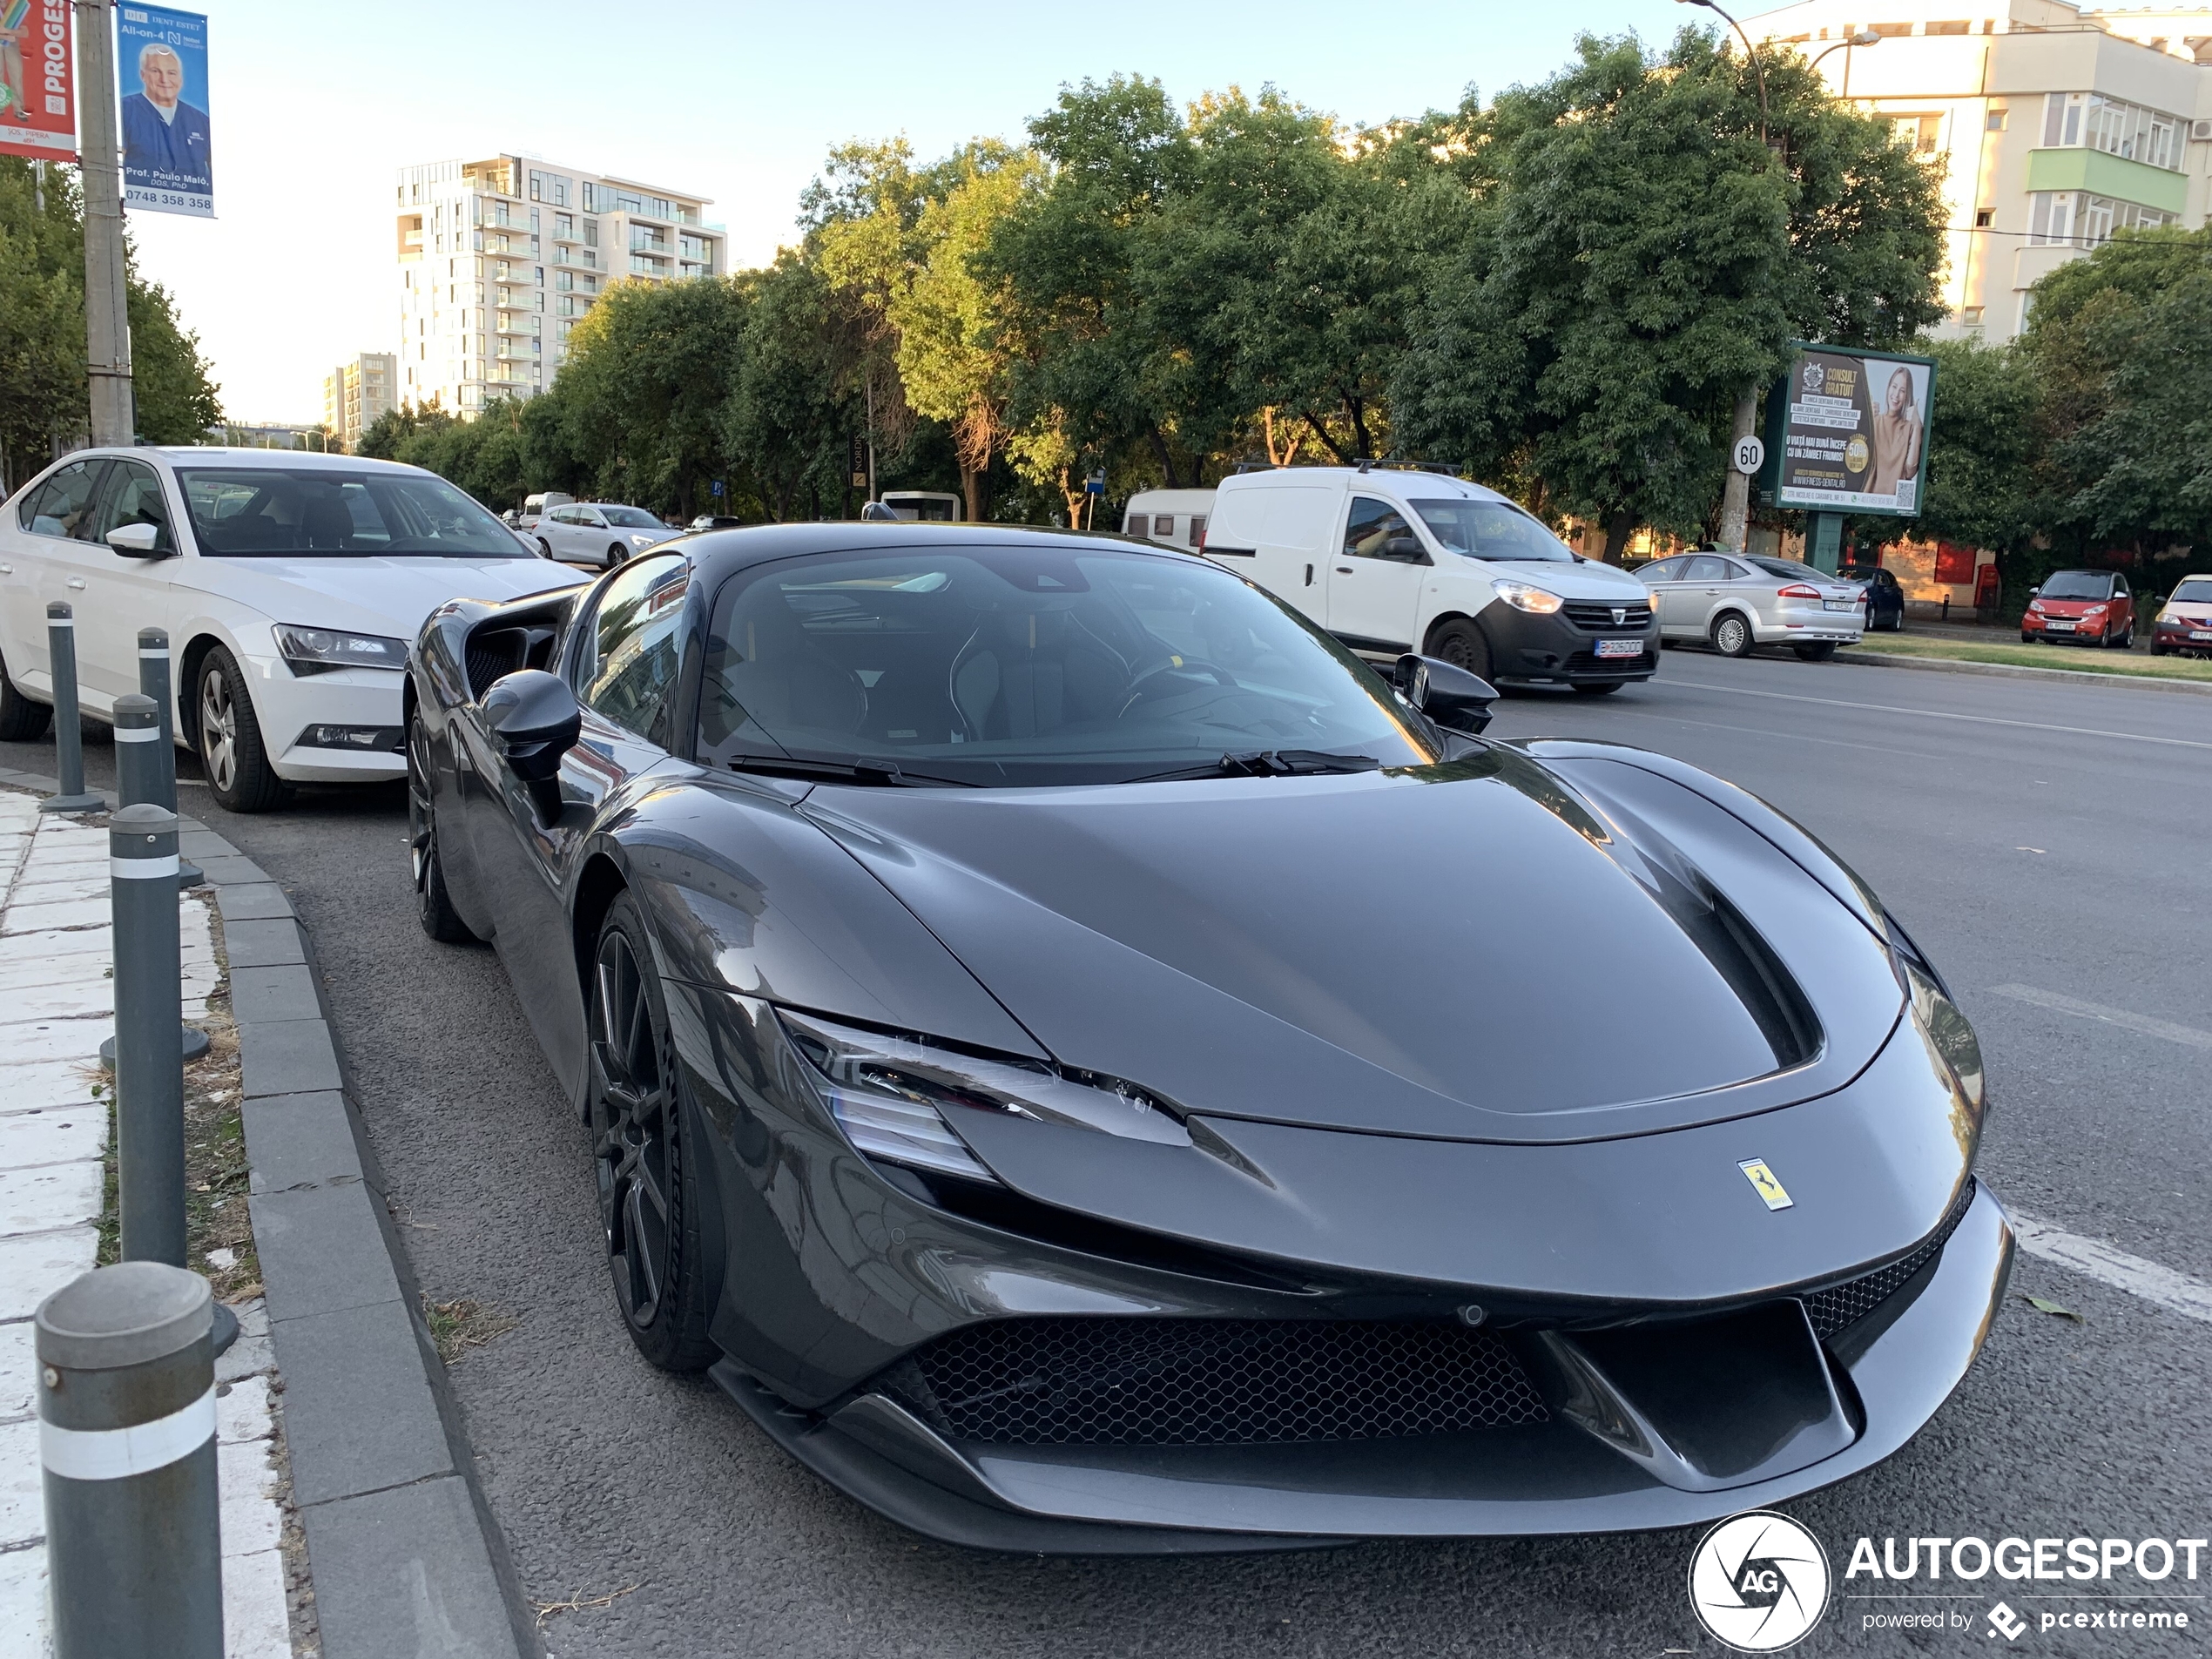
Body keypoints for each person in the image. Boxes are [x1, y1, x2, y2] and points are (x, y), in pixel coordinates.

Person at [120, 42, 212, 198]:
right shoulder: (126, 110)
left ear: (181, 79)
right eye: (156, 71)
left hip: (192, 209)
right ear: (143, 75)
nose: (164, 79)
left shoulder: (200, 121)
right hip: (138, 206)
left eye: (171, 73)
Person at [1866, 364, 1924, 499]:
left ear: (1907, 395)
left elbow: (1910, 471)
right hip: (1866, 499)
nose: (1896, 395)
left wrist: (1917, 427)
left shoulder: (1909, 428)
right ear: (1888, 387)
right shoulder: (1875, 421)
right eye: (1894, 387)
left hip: (1894, 505)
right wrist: (1864, 418)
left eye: (1902, 390)